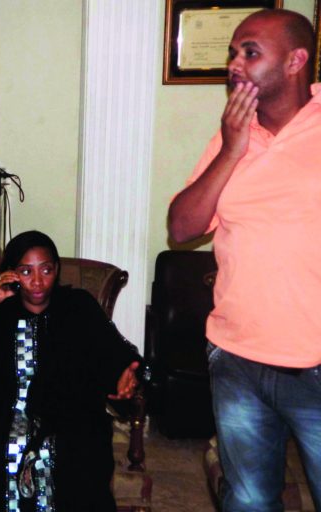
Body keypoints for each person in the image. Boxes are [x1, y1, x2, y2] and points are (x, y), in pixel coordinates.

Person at [168, 9, 321, 511]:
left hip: (315, 365)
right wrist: (232, 150)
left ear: (296, 60)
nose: (234, 63)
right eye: (232, 52)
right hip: (236, 359)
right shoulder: (233, 132)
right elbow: (182, 228)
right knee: (249, 502)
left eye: (250, 52)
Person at [0, 230, 140, 511]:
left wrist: (126, 374)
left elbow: (115, 352)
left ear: (57, 271)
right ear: (11, 274)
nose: (38, 281)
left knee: (73, 460)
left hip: (69, 416)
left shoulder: (78, 307)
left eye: (46, 270)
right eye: (26, 271)